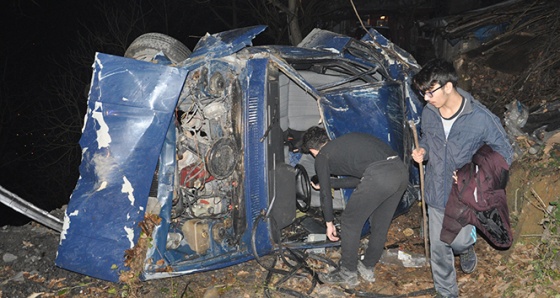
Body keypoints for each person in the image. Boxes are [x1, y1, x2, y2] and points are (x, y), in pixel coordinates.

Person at [411, 59, 513, 298]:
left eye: (429, 92)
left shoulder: (480, 117)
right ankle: (447, 292)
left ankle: (467, 248)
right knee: (439, 247)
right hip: (436, 188)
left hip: (465, 193)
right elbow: (426, 138)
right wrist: (422, 150)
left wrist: (477, 174)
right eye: (422, 93)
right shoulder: (429, 112)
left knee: (457, 242)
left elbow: (505, 151)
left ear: (448, 86)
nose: (426, 98)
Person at [300, 126, 408, 288]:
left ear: (312, 150)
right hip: (400, 173)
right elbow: (361, 180)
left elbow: (325, 195)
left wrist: (329, 222)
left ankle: (347, 271)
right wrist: (329, 182)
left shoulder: (322, 156)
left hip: (380, 175)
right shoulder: (346, 144)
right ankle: (368, 266)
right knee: (380, 224)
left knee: (350, 221)